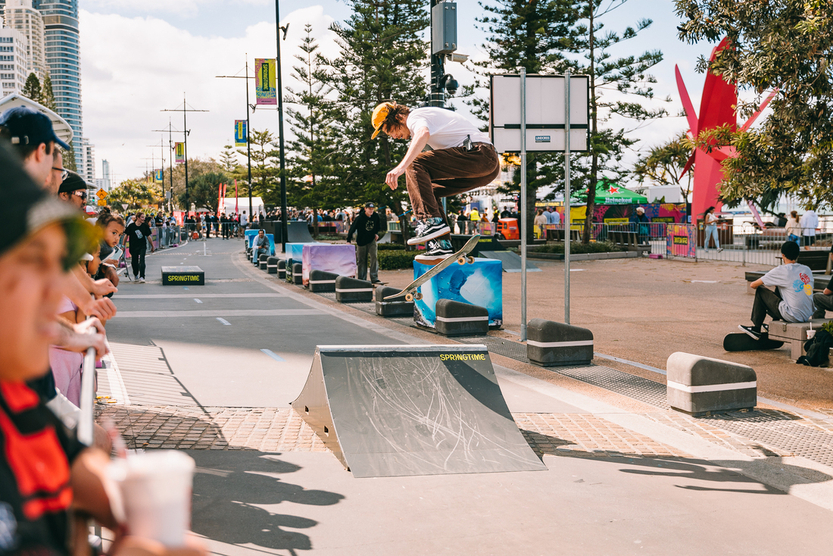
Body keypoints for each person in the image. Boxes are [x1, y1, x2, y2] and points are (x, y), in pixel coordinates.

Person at [372, 101, 500, 261]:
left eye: (390, 130)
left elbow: (423, 133)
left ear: (399, 117)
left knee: (414, 163)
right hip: (486, 168)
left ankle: (429, 221)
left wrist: (400, 168)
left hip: (479, 155)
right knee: (429, 189)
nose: (394, 137)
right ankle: (442, 245)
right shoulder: (427, 121)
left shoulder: (414, 117)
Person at [740, 241, 814, 339]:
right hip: (806, 314)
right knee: (780, 287)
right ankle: (774, 324)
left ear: (783, 255)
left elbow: (753, 285)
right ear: (797, 254)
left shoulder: (782, 270)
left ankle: (756, 329)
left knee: (761, 291)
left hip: (792, 315)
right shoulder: (807, 269)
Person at [347, 202, 382, 283]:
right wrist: (348, 240)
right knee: (362, 260)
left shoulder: (375, 216)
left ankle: (374, 277)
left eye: (372, 209)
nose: (371, 211)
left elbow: (378, 226)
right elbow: (352, 228)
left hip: (371, 239)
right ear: (365, 209)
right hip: (361, 240)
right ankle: (362, 278)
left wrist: (376, 233)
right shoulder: (359, 218)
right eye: (369, 209)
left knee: (374, 257)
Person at [124, 212, 154, 283]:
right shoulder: (131, 226)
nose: (144, 219)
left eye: (143, 217)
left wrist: (152, 246)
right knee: (134, 262)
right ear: (138, 218)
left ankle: (142, 276)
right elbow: (126, 236)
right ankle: (136, 274)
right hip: (133, 246)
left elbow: (148, 236)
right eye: (142, 217)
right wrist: (123, 246)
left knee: (142, 260)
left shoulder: (145, 226)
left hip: (142, 246)